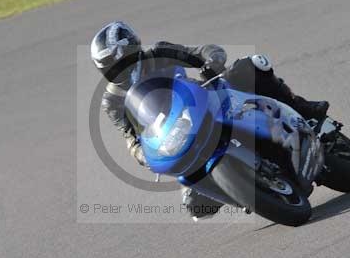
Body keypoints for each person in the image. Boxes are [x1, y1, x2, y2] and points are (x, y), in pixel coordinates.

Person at [90, 21, 329, 220]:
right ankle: (243, 190)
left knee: (251, 66)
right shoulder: (112, 100)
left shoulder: (160, 53)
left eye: (122, 62)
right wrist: (144, 155)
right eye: (112, 68)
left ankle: (303, 108)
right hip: (176, 134)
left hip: (204, 98)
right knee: (195, 205)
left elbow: (200, 51)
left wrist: (211, 61)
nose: (119, 70)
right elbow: (131, 136)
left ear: (135, 48)